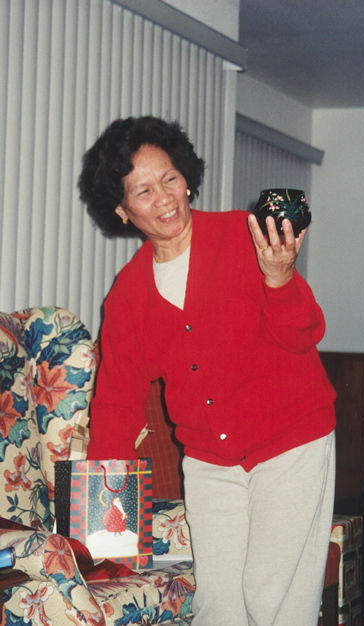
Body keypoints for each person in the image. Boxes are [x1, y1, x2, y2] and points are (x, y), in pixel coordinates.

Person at [78, 115, 336, 626]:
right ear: (122, 210)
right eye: (143, 191)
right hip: (210, 461)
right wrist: (104, 535)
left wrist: (280, 277)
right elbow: (116, 406)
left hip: (290, 443)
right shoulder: (127, 295)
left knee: (272, 597)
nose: (164, 198)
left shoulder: (244, 236)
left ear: (188, 178)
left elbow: (305, 334)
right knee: (219, 607)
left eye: (170, 178)